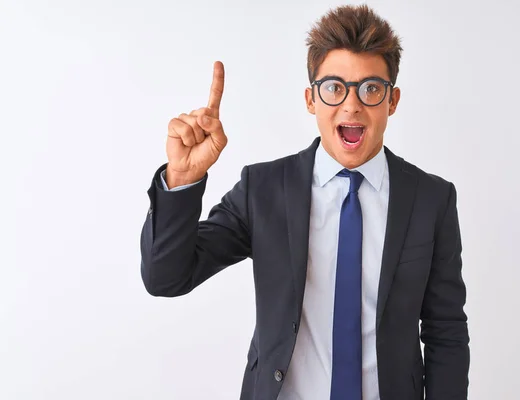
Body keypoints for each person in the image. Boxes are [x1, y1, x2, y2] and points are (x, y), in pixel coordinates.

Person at [140, 4, 469, 400]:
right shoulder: (262, 188)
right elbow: (165, 278)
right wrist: (182, 180)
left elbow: (445, 331)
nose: (351, 105)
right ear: (311, 99)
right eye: (333, 87)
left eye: (370, 88)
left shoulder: (431, 199)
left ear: (392, 100)